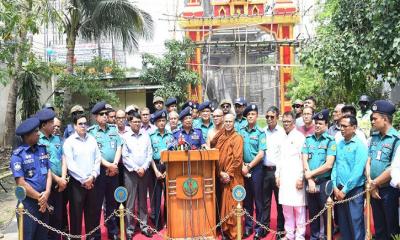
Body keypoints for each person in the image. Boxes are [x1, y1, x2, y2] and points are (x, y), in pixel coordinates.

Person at [10, 117, 52, 240]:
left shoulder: (42, 149)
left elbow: (49, 171)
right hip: (28, 206)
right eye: (35, 131)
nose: (39, 133)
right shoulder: (18, 155)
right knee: (28, 237)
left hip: (44, 201)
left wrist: (47, 192)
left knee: (43, 236)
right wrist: (40, 198)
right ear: (28, 136)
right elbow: (21, 183)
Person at [87, 101, 122, 240]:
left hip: (113, 172)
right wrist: (109, 166)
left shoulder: (113, 129)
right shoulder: (92, 133)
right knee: (96, 204)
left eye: (106, 114)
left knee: (112, 204)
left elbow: (119, 147)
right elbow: (96, 154)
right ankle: (96, 234)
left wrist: (114, 165)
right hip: (100, 172)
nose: (105, 116)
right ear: (96, 117)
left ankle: (112, 232)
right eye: (102, 114)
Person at [63, 114, 101, 239]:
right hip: (76, 185)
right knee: (76, 216)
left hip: (92, 182)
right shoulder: (69, 142)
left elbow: (97, 158)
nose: (83, 126)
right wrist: (85, 179)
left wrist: (93, 175)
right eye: (80, 123)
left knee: (92, 214)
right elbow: (70, 164)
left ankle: (92, 238)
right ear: (74, 126)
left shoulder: (92, 139)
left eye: (85, 123)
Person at [366, 100, 400, 239]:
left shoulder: (396, 139)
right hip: (373, 189)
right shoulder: (373, 138)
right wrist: (370, 183)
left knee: (391, 228)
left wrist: (375, 183)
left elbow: (394, 167)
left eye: (375, 118)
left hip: (388, 191)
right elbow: (368, 161)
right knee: (379, 228)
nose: (372, 121)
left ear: (385, 119)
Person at [331, 115, 367, 240]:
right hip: (339, 190)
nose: (342, 129)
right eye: (340, 126)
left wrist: (345, 190)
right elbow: (335, 165)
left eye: (345, 126)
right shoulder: (339, 144)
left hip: (353, 191)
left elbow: (357, 172)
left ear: (354, 127)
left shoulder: (360, 146)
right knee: (343, 224)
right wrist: (335, 187)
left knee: (355, 223)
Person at [302, 109, 336, 240]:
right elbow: (304, 158)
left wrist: (310, 174)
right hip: (310, 182)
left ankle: (328, 236)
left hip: (324, 183)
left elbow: (328, 164)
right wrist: (309, 178)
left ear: (326, 125)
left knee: (326, 213)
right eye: (316, 123)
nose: (317, 125)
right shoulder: (308, 139)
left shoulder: (330, 141)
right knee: (313, 212)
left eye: (320, 123)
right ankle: (314, 237)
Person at [210, 113, 244, 240]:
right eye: (226, 122)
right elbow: (213, 144)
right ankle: (225, 231)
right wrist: (220, 173)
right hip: (221, 175)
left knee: (233, 205)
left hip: (233, 178)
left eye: (230, 122)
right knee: (224, 205)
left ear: (234, 122)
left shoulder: (237, 138)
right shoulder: (221, 136)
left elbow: (237, 160)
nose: (228, 124)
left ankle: (234, 234)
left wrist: (228, 174)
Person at [36, 109, 67, 240]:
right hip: (46, 186)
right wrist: (58, 180)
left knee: (58, 217)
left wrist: (63, 179)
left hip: (60, 184)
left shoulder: (57, 139)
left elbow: (63, 158)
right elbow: (44, 166)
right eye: (51, 123)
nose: (54, 126)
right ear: (43, 125)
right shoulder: (38, 140)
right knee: (46, 218)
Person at [122, 111, 154, 238]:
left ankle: (144, 226)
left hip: (144, 172)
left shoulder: (146, 135)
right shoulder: (125, 136)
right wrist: (136, 168)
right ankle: (129, 229)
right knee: (130, 201)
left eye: (139, 122)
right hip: (131, 173)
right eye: (134, 122)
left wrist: (144, 167)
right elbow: (125, 156)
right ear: (129, 122)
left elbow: (149, 153)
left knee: (142, 201)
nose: (137, 124)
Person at [276, 111, 306, 240]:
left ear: (294, 122)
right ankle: (289, 235)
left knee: (299, 209)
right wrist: (277, 175)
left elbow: (302, 159)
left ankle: (300, 236)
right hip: (284, 178)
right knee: (286, 209)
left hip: (296, 178)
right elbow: (279, 159)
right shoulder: (282, 137)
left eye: (288, 122)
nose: (286, 124)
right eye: (284, 122)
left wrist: (301, 178)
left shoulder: (300, 137)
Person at [239, 104, 266, 239]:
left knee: (258, 200)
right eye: (248, 115)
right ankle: (248, 227)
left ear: (256, 116)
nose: (250, 116)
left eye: (253, 114)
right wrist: (243, 165)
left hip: (256, 170)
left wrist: (248, 166)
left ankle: (259, 228)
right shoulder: (241, 131)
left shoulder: (260, 133)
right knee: (247, 200)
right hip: (243, 169)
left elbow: (261, 154)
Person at [260, 106, 285, 238]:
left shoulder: (282, 132)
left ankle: (280, 229)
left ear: (277, 117)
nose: (269, 119)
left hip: (277, 171)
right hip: (264, 171)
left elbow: (283, 155)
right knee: (266, 201)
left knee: (280, 202)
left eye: (272, 117)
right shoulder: (262, 132)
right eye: (267, 117)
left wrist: (279, 174)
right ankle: (264, 227)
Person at [149, 110, 175, 230]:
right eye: (159, 121)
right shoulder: (151, 136)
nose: (161, 123)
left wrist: (168, 170)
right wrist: (156, 171)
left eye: (163, 120)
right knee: (157, 196)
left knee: (169, 196)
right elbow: (149, 155)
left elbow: (174, 153)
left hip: (169, 167)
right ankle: (158, 223)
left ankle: (169, 222)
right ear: (155, 122)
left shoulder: (171, 136)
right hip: (156, 167)